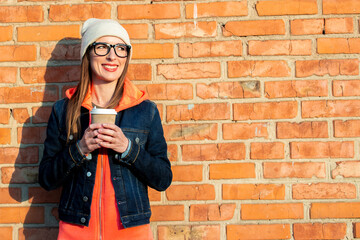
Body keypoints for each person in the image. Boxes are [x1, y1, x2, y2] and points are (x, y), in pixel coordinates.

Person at [38, 18, 172, 240]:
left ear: (127, 56)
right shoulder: (64, 110)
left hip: (130, 232)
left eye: (121, 48)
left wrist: (128, 149)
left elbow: (163, 179)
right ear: (88, 54)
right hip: (75, 232)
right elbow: (46, 179)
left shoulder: (145, 111)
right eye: (102, 47)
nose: (112, 56)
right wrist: (79, 149)